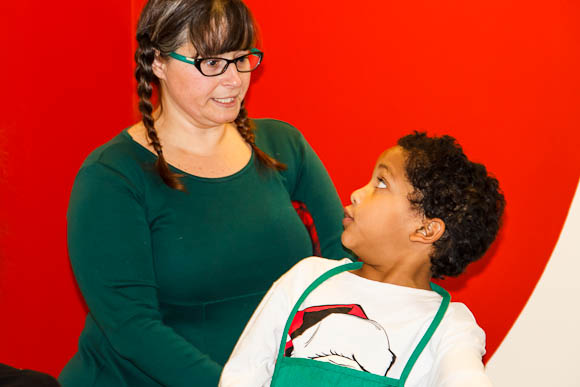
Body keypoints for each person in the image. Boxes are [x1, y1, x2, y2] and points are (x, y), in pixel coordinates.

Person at [58, 0, 349, 386]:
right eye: (211, 63)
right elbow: (132, 327)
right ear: (157, 62)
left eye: (242, 57)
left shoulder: (283, 145)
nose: (234, 80)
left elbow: (343, 261)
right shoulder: (113, 176)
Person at [220, 132, 505, 387]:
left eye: (381, 183)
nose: (357, 194)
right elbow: (242, 375)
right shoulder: (307, 278)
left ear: (425, 229)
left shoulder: (448, 327)